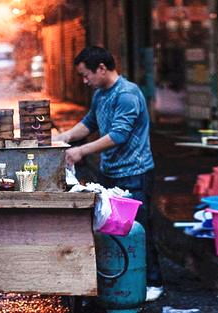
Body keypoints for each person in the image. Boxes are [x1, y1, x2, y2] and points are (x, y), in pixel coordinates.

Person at [55, 46, 163, 302]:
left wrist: (80, 151)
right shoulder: (101, 94)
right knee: (112, 228)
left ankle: (154, 282)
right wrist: (64, 137)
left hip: (134, 172)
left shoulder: (127, 94)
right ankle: (123, 278)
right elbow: (90, 122)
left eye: (86, 75)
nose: (85, 81)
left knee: (138, 227)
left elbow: (118, 135)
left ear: (101, 68)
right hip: (111, 172)